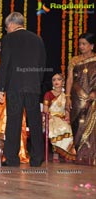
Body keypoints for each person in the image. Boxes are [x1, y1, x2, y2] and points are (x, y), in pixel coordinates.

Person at [0, 12, 46, 167]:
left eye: (6, 27)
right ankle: (37, 159)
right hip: (33, 86)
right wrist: (37, 82)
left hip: (14, 86)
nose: (7, 30)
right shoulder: (37, 39)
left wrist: (0, 88)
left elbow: (4, 64)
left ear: (11, 24)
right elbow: (42, 63)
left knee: (14, 122)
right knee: (35, 122)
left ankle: (12, 159)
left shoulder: (8, 39)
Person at [0, 44, 29, 164]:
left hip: (15, 93)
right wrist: (0, 85)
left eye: (4, 47)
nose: (1, 49)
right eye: (0, 47)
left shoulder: (18, 60)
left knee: (18, 122)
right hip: (0, 95)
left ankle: (20, 153)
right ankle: (4, 155)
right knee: (2, 122)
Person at [65, 32, 96, 166]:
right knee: (77, 126)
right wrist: (67, 98)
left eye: (84, 44)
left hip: (92, 99)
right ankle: (79, 156)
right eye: (80, 44)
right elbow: (70, 80)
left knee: (91, 128)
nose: (81, 46)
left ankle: (90, 157)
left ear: (92, 46)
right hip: (77, 100)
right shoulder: (74, 60)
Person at [43, 73, 76, 162]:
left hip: (62, 118)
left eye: (59, 79)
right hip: (50, 118)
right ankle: (55, 153)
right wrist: (49, 116)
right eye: (54, 80)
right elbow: (45, 110)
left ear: (63, 82)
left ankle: (66, 153)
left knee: (68, 127)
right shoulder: (48, 94)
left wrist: (67, 117)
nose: (56, 81)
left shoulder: (66, 96)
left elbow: (67, 110)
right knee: (58, 128)